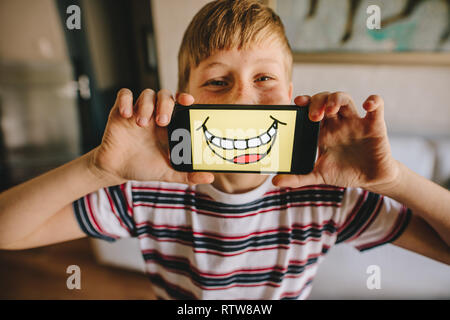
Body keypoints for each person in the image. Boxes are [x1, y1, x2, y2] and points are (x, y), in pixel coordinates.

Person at [0, 0, 449, 300]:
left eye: (264, 79)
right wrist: (99, 169)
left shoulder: (328, 196)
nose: (241, 97)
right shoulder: (143, 191)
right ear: (182, 98)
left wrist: (393, 180)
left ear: (293, 93)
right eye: (217, 81)